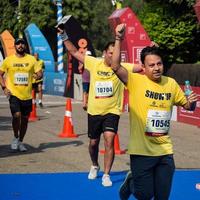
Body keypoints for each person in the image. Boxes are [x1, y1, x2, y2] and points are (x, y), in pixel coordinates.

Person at [111, 24, 198, 199]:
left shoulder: (171, 83)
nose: (157, 68)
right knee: (145, 195)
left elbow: (188, 106)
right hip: (141, 151)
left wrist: (191, 103)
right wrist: (119, 39)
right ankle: (131, 182)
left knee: (162, 197)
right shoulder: (135, 80)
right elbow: (114, 66)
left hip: (165, 150)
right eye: (151, 65)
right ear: (143, 67)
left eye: (159, 64)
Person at [56, 23, 142, 187]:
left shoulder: (123, 67)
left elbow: (142, 67)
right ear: (104, 54)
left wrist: (152, 51)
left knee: (109, 140)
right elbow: (74, 51)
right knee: (93, 143)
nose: (113, 56)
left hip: (112, 111)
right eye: (110, 53)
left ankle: (107, 175)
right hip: (94, 111)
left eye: (115, 53)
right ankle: (95, 164)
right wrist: (63, 35)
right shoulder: (94, 63)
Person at [0, 38, 42, 152]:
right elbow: (0, 73)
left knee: (24, 120)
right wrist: (4, 87)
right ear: (15, 46)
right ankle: (15, 137)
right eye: (18, 44)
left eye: (22, 43)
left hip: (27, 95)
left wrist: (37, 76)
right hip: (13, 93)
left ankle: (20, 141)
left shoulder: (32, 59)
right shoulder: (8, 60)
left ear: (25, 46)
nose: (20, 45)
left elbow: (39, 72)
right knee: (16, 115)